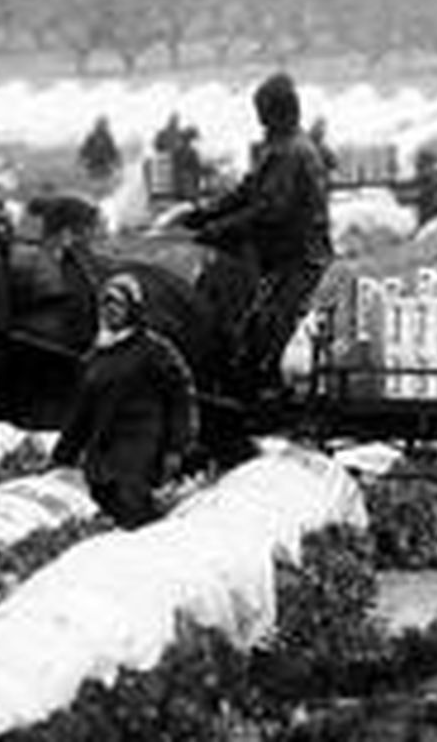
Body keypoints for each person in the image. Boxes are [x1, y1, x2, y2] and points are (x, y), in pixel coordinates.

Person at [180, 72, 333, 403]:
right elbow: (246, 191)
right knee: (250, 321)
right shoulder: (277, 148)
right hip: (281, 254)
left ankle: (264, 392)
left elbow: (270, 210)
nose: (259, 119)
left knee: (268, 328)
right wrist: (206, 213)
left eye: (262, 111)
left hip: (300, 256)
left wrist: (218, 229)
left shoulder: (292, 152)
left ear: (278, 112)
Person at [50, 274, 197, 529]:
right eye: (106, 305)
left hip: (140, 447)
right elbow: (82, 413)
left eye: (117, 305)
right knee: (107, 505)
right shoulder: (97, 356)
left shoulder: (154, 350)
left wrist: (176, 447)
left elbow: (181, 398)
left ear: (132, 310)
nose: (110, 311)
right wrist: (63, 454)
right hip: (102, 451)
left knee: (133, 508)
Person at [78, 116, 121, 182]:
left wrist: (117, 161)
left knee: (106, 176)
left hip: (105, 165)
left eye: (104, 125)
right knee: (93, 177)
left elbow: (113, 150)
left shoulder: (107, 137)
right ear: (97, 125)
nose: (103, 127)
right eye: (101, 125)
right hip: (93, 165)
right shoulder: (92, 136)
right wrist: (82, 160)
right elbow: (84, 150)